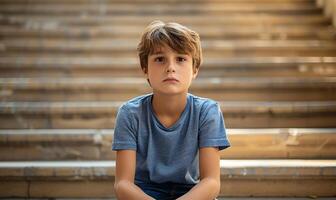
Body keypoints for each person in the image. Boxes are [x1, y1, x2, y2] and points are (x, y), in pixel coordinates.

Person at [112, 20, 231, 200]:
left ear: (195, 69)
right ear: (145, 68)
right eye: (160, 59)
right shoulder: (130, 114)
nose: (170, 68)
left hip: (192, 193)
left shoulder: (207, 112)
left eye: (181, 59)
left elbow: (211, 182)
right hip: (144, 193)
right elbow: (123, 184)